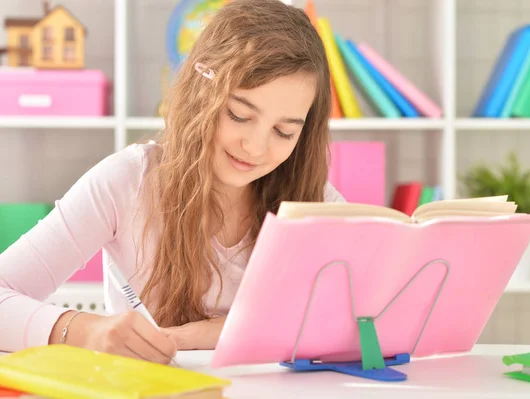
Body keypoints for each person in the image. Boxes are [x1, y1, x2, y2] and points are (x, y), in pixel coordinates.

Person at [0, 0, 344, 365]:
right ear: (202, 92)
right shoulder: (128, 182)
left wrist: (220, 331)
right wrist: (84, 330)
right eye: (239, 115)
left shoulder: (314, 201)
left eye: (283, 131)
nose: (256, 147)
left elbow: (362, 319)